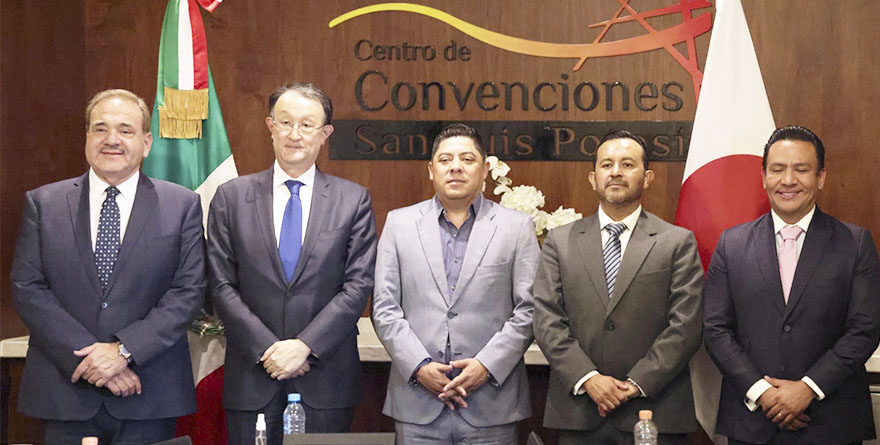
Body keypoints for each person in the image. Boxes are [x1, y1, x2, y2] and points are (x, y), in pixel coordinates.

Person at [10, 89, 206, 444]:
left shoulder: (182, 205)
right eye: (100, 129)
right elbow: (29, 288)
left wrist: (124, 351)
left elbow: (188, 291)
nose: (111, 139)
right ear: (86, 137)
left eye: (125, 130)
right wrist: (91, 359)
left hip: (148, 391)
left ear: (146, 143)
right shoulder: (44, 203)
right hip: (65, 391)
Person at [207, 82, 377, 444]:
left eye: (306, 125)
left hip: (325, 379)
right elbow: (220, 284)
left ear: (325, 134)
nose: (294, 134)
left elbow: (358, 285)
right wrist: (268, 350)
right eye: (285, 123)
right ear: (270, 127)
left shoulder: (353, 200)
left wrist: (305, 346)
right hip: (253, 376)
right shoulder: (231, 198)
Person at [703, 125, 880, 444]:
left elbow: (865, 329)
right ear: (763, 177)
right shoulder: (731, 244)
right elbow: (716, 329)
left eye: (801, 169)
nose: (788, 180)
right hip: (753, 422)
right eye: (777, 169)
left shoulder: (855, 243)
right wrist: (763, 393)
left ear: (821, 177)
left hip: (832, 422)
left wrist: (808, 388)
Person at [533, 130, 704, 444]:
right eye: (606, 164)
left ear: (647, 178)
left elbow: (686, 325)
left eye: (627, 164)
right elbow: (546, 320)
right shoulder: (560, 241)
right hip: (580, 412)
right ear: (593, 178)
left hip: (655, 408)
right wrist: (589, 378)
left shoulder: (677, 242)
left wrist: (636, 383)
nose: (615, 172)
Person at [371, 123, 539, 444]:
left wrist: (486, 366)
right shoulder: (399, 224)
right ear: (431, 170)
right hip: (418, 401)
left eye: (467, 159)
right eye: (445, 160)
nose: (456, 167)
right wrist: (419, 367)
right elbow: (384, 308)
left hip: (491, 403)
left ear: (485, 169)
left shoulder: (516, 227)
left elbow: (529, 310)